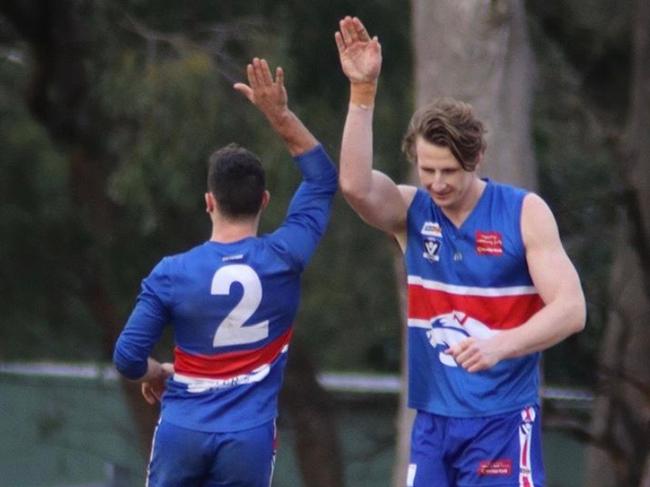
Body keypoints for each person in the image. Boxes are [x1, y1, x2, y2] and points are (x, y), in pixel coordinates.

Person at [335, 16, 586, 487]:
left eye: (448, 170)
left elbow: (572, 310)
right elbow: (353, 185)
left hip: (502, 422)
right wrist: (363, 92)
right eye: (427, 170)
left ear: (475, 159)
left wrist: (500, 345)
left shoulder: (523, 213)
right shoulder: (413, 210)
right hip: (432, 422)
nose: (436, 183)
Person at [112, 57, 337, 487]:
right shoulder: (284, 257)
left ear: (209, 202)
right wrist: (281, 116)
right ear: (266, 200)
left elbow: (127, 358)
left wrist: (156, 371)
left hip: (183, 430)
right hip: (247, 438)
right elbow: (322, 179)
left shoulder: (172, 272)